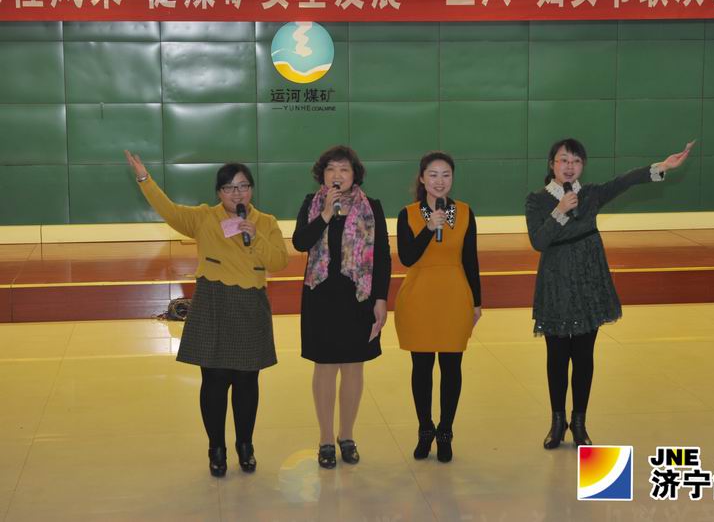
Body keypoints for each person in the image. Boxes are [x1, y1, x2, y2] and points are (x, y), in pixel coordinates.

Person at [124, 151, 289, 476]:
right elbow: (169, 211)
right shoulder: (204, 218)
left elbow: (279, 262)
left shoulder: (266, 223)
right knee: (214, 380)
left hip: (250, 305)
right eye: (229, 188)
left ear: (252, 190)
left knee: (247, 380)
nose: (237, 194)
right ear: (219, 193)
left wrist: (255, 237)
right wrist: (145, 178)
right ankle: (216, 448)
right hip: (213, 302)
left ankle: (245, 445)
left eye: (243, 186)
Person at [525, 138, 693, 449]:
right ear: (552, 164)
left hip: (589, 283)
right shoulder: (537, 200)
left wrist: (663, 166)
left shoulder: (590, 194)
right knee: (557, 357)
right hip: (557, 285)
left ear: (583, 166)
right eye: (564, 160)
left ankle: (579, 422)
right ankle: (557, 422)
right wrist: (560, 210)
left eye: (576, 161)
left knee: (584, 356)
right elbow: (538, 241)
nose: (569, 166)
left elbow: (624, 181)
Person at [291, 145, 391, 469]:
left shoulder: (371, 207)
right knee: (324, 367)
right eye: (331, 169)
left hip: (358, 297)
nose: (337, 175)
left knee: (353, 368)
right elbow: (300, 242)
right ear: (322, 175)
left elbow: (383, 257)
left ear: (354, 175)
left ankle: (346, 436)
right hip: (320, 295)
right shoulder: (312, 204)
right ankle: (325, 439)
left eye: (344, 169)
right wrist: (324, 215)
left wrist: (380, 298)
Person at [394, 151, 482, 463]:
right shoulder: (408, 214)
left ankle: (446, 431)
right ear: (422, 179)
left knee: (451, 367)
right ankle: (425, 429)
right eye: (433, 175)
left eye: (446, 175)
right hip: (418, 297)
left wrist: (477, 302)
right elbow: (407, 257)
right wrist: (429, 228)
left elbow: (471, 260)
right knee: (421, 367)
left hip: (455, 296)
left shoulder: (465, 212)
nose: (440, 181)